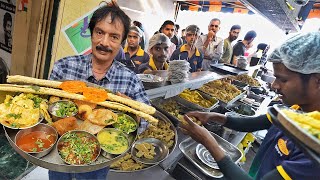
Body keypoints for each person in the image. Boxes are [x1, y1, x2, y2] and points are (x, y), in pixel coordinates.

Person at [180, 32, 320, 180]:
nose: (274, 85)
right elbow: (253, 124)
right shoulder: (295, 111)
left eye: (283, 80)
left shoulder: (314, 150)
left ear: (317, 80)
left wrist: (209, 142)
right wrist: (212, 116)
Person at [49, 3, 149, 179]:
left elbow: (145, 121)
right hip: (59, 156)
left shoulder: (130, 80)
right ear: (91, 33)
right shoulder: (64, 66)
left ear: (122, 43)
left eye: (114, 37)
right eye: (100, 32)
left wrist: (134, 111)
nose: (104, 42)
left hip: (98, 163)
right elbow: (46, 104)